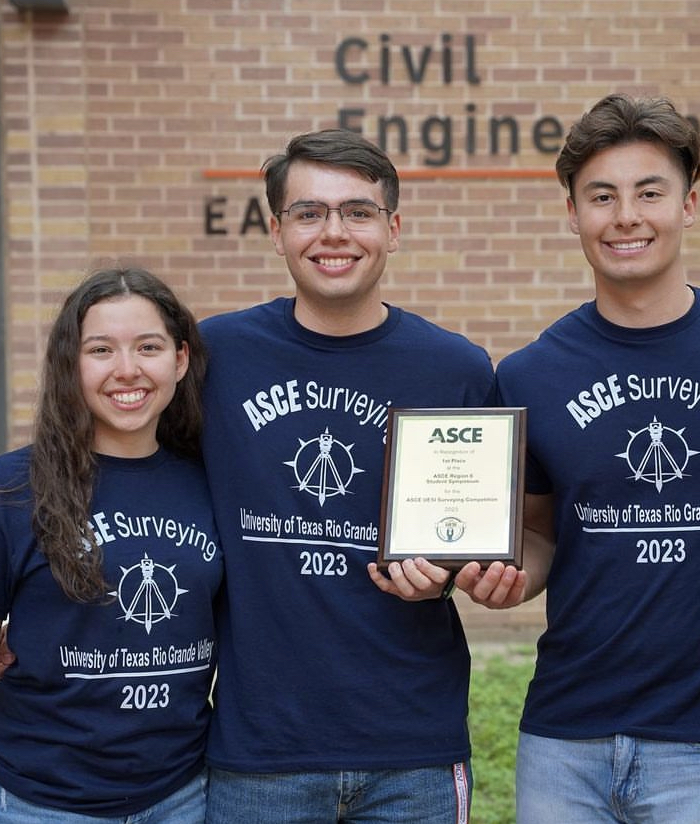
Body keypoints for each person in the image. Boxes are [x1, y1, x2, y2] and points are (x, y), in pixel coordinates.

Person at [456, 93, 700, 823]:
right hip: (566, 737)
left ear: (689, 205)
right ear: (573, 213)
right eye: (602, 196)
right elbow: (538, 534)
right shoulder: (532, 373)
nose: (626, 216)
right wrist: (505, 575)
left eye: (648, 192)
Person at [198, 129, 494, 823]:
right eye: (309, 213)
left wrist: (454, 572)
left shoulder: (454, 369)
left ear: (393, 229)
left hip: (411, 749)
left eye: (357, 212)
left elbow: (475, 533)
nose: (334, 233)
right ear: (276, 231)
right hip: (257, 751)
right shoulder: (216, 358)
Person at [0, 267, 222, 822]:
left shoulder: (213, 482)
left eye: (148, 347)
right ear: (71, 365)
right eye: (100, 349)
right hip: (38, 800)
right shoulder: (8, 490)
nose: (126, 370)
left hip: (181, 794)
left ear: (179, 360)